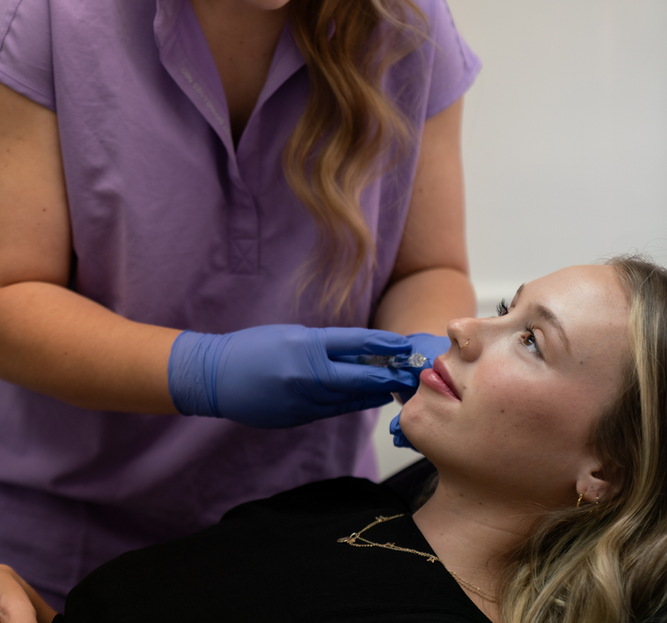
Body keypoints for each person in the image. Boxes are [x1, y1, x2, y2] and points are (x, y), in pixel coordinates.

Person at [0, 0, 482, 608]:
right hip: (66, 528)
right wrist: (207, 370)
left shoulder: (405, 25)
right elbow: (11, 298)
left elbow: (427, 263)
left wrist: (423, 356)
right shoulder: (61, 4)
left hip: (292, 528)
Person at [2, 254, 667, 623]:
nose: (462, 328)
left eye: (529, 340)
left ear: (605, 470)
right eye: (503, 308)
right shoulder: (358, 506)